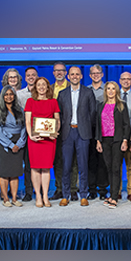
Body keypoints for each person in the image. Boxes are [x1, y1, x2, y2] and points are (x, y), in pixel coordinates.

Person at [57, 66, 96, 207]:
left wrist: (84, 126)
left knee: (83, 165)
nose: (74, 76)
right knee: (66, 166)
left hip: (83, 133)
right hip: (67, 133)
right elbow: (59, 114)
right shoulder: (62, 94)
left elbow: (92, 113)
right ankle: (65, 195)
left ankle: (83, 195)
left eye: (77, 74)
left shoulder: (88, 92)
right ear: (68, 76)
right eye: (72, 74)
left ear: (81, 76)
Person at [25, 77, 61, 208]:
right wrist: (31, 135)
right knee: (35, 167)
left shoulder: (53, 102)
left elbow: (57, 121)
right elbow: (28, 121)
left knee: (46, 168)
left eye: (43, 85)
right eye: (38, 85)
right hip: (35, 139)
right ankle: (38, 196)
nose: (41, 87)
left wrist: (54, 133)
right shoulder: (30, 101)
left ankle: (45, 195)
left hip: (49, 140)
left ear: (47, 87)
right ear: (35, 87)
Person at [96, 81, 131, 209]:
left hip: (117, 140)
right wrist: (98, 140)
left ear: (116, 91)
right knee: (109, 168)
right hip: (104, 140)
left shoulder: (121, 106)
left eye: (113, 89)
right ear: (105, 91)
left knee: (116, 169)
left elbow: (126, 125)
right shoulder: (100, 106)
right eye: (108, 89)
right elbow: (98, 125)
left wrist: (125, 140)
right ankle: (111, 194)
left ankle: (114, 197)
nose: (110, 91)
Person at [0, 86, 27, 207]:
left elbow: (24, 127)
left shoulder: (20, 109)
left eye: (11, 94)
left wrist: (19, 143)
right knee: (4, 173)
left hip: (18, 142)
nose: (9, 96)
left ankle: (14, 198)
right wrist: (10, 144)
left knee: (15, 172)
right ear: (2, 96)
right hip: (3, 144)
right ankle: (5, 198)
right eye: (6, 94)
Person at [50, 62, 78, 201]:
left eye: (62, 71)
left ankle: (73, 189)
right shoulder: (48, 89)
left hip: (69, 129)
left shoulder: (72, 86)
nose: (59, 73)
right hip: (52, 131)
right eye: (56, 71)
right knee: (58, 161)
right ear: (53, 73)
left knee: (72, 160)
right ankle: (60, 189)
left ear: (66, 73)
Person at [16, 67, 38, 201]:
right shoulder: (19, 94)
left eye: (33, 75)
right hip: (24, 133)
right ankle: (28, 191)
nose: (31, 77)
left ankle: (41, 189)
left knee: (39, 164)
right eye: (28, 75)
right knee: (28, 164)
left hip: (41, 133)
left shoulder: (44, 93)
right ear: (25, 78)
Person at [87, 64, 108, 200]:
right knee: (90, 160)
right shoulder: (85, 90)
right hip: (88, 129)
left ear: (102, 74)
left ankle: (102, 189)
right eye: (93, 73)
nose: (96, 75)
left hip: (105, 129)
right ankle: (92, 189)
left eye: (98, 73)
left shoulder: (108, 89)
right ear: (90, 75)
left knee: (103, 160)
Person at [119, 71, 131, 203]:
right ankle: (117, 191)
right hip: (116, 137)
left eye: (128, 79)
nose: (126, 81)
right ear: (120, 81)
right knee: (117, 166)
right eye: (123, 79)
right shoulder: (113, 96)